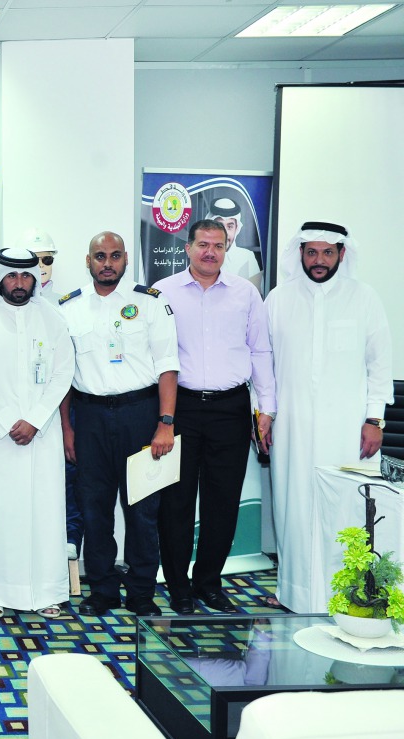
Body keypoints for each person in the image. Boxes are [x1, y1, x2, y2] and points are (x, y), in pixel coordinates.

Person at [265, 221, 392, 613]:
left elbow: (380, 363)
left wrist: (375, 419)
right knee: (293, 508)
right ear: (300, 254)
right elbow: (262, 364)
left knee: (343, 511)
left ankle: (343, 596)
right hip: (292, 427)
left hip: (346, 428)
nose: (319, 261)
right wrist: (263, 416)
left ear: (341, 254)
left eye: (327, 252)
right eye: (311, 252)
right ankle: (293, 593)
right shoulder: (278, 299)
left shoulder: (364, 298)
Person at [153, 219, 276, 614]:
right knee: (176, 503)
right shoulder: (162, 293)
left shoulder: (246, 293)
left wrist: (266, 407)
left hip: (230, 409)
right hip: (181, 408)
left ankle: (209, 583)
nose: (210, 252)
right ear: (187, 248)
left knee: (222, 502)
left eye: (218, 246)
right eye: (203, 244)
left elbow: (260, 351)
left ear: (228, 249)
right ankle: (178, 587)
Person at [58, 231, 179, 617]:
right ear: (88, 260)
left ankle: (142, 592)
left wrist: (165, 423)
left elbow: (167, 367)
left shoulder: (150, 304)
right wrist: (67, 429)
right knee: (94, 508)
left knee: (143, 510)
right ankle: (103, 590)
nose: (107, 263)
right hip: (89, 416)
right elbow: (63, 377)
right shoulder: (69, 308)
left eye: (114, 256)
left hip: (140, 414)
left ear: (126, 260)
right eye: (99, 256)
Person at [0, 248, 74, 620]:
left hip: (40, 437)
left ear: (35, 279)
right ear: (0, 279)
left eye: (25, 276)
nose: (18, 283)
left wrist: (35, 419)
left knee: (43, 513)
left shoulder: (54, 320)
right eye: (11, 276)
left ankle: (46, 591)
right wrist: (8, 420)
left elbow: (64, 373)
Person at [22, 228, 84, 562]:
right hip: (18, 409)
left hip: (63, 403)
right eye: (34, 259)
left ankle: (70, 537)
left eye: (47, 259)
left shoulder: (67, 305)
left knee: (67, 474)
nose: (40, 266)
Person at [209, 197, 262, 286]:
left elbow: (255, 295)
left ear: (236, 229)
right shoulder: (202, 256)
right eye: (219, 226)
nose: (224, 234)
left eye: (229, 227)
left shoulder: (247, 257)